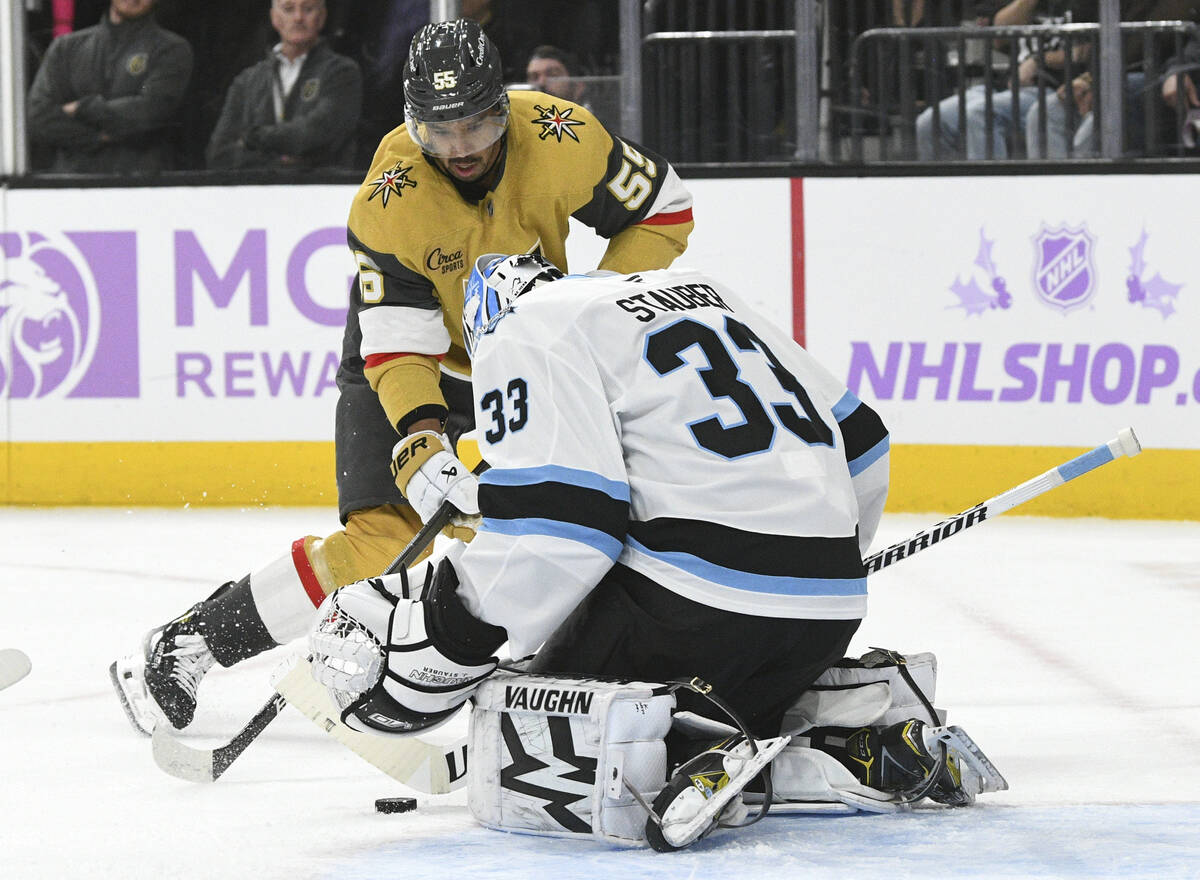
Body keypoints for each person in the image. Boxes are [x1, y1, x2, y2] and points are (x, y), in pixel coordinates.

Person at [109, 18, 693, 736]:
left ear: (503, 106)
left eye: (477, 124)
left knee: (573, 520)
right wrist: (421, 436)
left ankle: (579, 669)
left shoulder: (562, 135)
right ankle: (192, 642)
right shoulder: (388, 200)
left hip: (531, 355)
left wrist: (590, 313)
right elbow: (398, 346)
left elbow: (664, 208)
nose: (460, 149)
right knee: (380, 541)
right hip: (409, 364)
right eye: (439, 131)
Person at [306, 253, 996, 850]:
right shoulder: (700, 291)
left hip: (694, 609)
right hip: (828, 609)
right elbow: (866, 439)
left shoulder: (524, 329)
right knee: (727, 692)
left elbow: (563, 532)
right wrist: (826, 556)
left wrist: (455, 633)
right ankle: (856, 743)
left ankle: (693, 752)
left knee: (525, 724)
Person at [915, 0, 1096, 161]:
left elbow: (1086, 50)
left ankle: (992, 195)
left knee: (980, 114)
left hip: (1053, 86)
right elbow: (999, 36)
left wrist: (1040, 59)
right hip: (1005, 87)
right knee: (931, 122)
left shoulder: (1082, 5)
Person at [26, 0, 193, 174]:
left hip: (143, 185)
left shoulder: (172, 49)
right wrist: (98, 138)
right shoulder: (66, 48)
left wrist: (80, 108)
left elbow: (152, 110)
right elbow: (38, 118)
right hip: (71, 186)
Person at [205, 0, 363, 171]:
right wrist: (279, 164)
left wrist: (251, 138)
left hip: (320, 191)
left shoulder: (342, 73)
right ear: (274, 17)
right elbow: (218, 154)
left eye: (308, 9)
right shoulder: (247, 81)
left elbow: (319, 134)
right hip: (255, 194)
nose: (298, 17)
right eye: (288, 9)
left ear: (322, 17)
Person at [525, 44, 588, 108]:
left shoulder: (591, 117)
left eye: (552, 75)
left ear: (578, 86)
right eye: (534, 77)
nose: (542, 83)